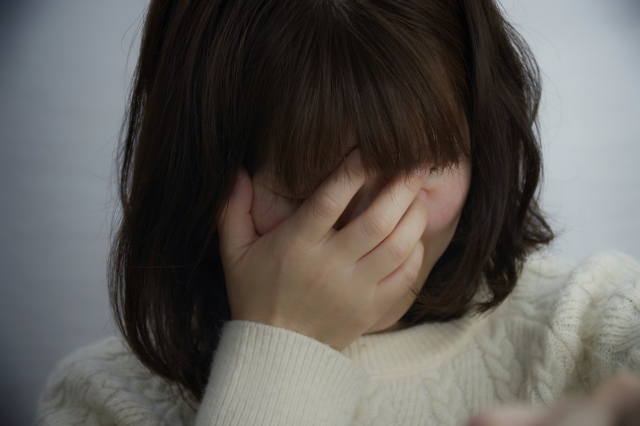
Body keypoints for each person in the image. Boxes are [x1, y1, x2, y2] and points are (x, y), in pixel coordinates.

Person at [37, 0, 640, 425]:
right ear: (201, 173)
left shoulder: (590, 325)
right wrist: (283, 350)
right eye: (308, 188)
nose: (376, 228)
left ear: (481, 137)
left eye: (421, 165)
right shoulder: (103, 401)